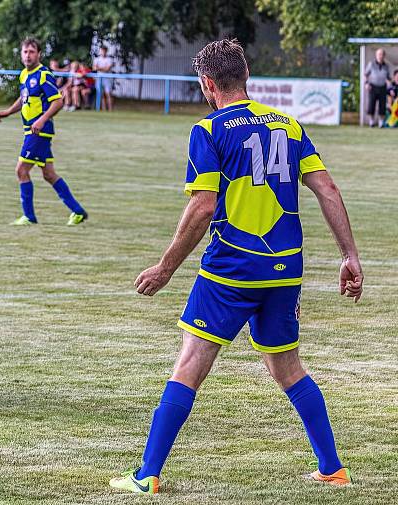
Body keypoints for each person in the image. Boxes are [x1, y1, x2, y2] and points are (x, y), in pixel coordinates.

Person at [109, 39, 363, 494]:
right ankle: (333, 467)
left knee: (189, 364)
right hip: (285, 270)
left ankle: (146, 476)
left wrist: (166, 268)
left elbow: (203, 207)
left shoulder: (208, 130)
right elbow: (327, 189)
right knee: (288, 367)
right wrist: (349, 256)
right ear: (246, 76)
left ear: (208, 83)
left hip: (231, 270)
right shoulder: (287, 123)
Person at [0, 38, 88, 226]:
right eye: (25, 52)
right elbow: (24, 98)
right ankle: (77, 211)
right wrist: (8, 112)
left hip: (38, 132)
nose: (28, 55)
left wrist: (42, 119)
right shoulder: (24, 75)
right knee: (49, 174)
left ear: (39, 54)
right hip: (31, 130)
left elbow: (58, 101)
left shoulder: (43, 74)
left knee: (21, 170)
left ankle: (29, 216)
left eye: (32, 52)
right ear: (21, 54)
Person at [365, 48, 390, 127]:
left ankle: (381, 122)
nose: (380, 56)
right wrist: (366, 83)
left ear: (384, 56)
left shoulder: (386, 66)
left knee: (382, 106)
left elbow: (388, 77)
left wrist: (389, 82)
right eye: (379, 54)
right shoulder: (371, 64)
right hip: (373, 86)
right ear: (376, 55)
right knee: (371, 105)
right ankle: (371, 121)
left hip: (383, 87)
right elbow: (366, 74)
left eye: (382, 54)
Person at [92, 46, 114, 111]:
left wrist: (99, 68)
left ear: (106, 51)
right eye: (102, 51)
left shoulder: (109, 59)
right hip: (99, 79)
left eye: (104, 51)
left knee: (108, 94)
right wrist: (103, 68)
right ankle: (103, 109)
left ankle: (110, 109)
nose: (103, 52)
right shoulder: (96, 59)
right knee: (100, 95)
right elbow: (94, 68)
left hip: (107, 79)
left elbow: (107, 69)